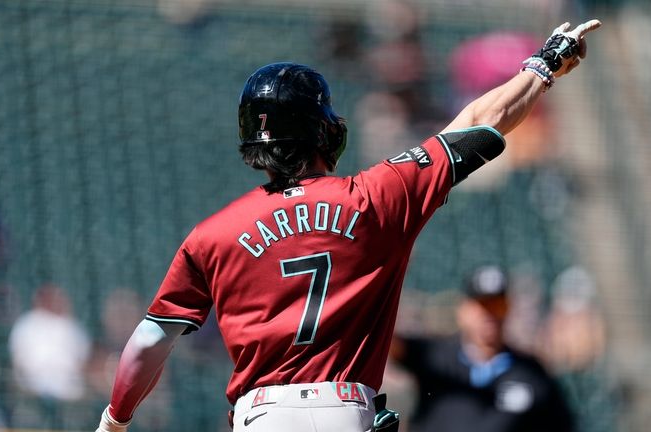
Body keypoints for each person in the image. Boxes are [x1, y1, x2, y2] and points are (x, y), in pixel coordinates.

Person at [96, 19, 601, 432]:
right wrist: (544, 66)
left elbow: (148, 341)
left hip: (262, 416)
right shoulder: (378, 195)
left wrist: (114, 423)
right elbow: (477, 121)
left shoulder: (212, 234)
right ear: (325, 131)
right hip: (346, 410)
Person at [390, 266, 575, 432]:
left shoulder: (530, 373)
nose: (490, 315)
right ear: (463, 310)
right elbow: (390, 344)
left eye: (497, 306)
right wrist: (392, 270)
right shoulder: (438, 355)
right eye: (482, 306)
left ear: (509, 309)